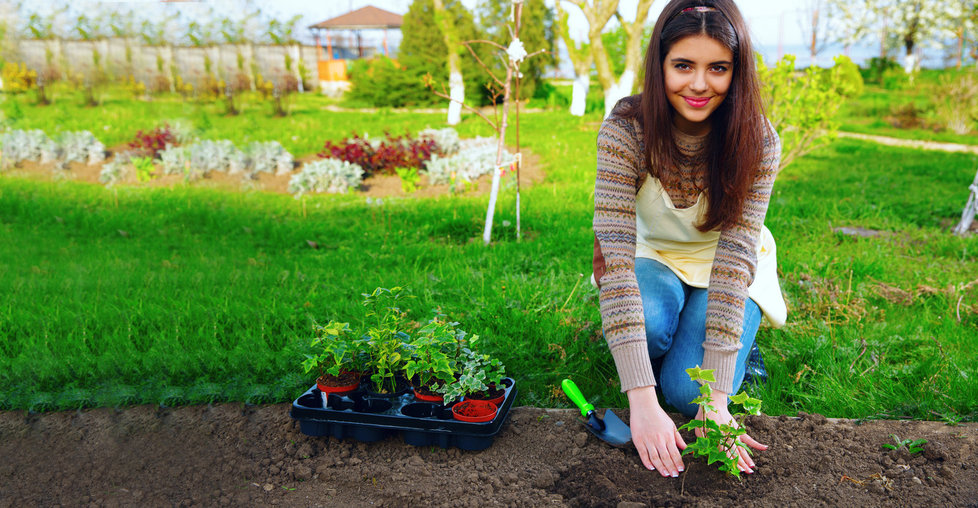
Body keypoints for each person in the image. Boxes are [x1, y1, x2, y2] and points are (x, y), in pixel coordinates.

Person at [591, 0, 787, 478]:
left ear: (736, 73)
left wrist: (717, 402)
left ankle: (739, 339)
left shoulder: (758, 141)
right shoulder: (626, 130)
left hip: (725, 265)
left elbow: (736, 257)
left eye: (718, 68)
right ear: (659, 66)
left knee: (686, 393)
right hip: (652, 255)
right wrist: (639, 401)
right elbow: (614, 260)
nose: (699, 85)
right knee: (651, 322)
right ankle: (667, 332)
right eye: (683, 65)